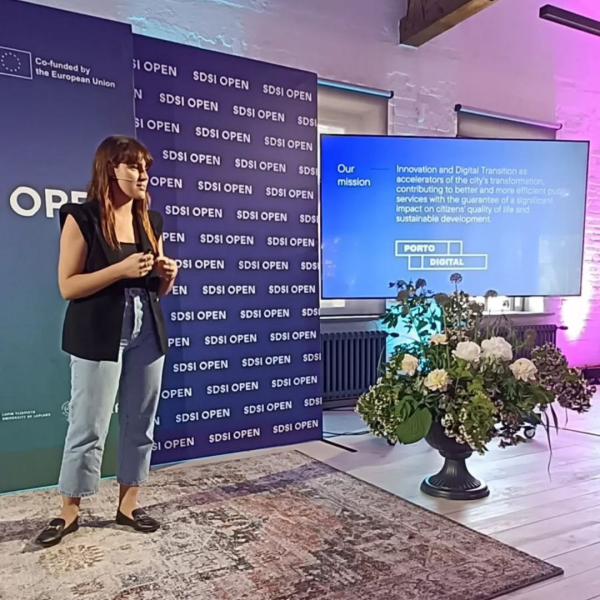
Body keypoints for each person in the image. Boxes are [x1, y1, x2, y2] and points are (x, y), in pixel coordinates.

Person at [35, 135, 178, 548]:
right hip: (98, 330)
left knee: (141, 420)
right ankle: (69, 511)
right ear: (110, 168)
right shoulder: (81, 216)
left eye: (145, 167)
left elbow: (155, 290)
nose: (143, 174)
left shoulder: (151, 221)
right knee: (88, 424)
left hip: (147, 329)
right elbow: (68, 285)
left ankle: (128, 506)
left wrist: (166, 277)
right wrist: (120, 270)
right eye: (134, 166)